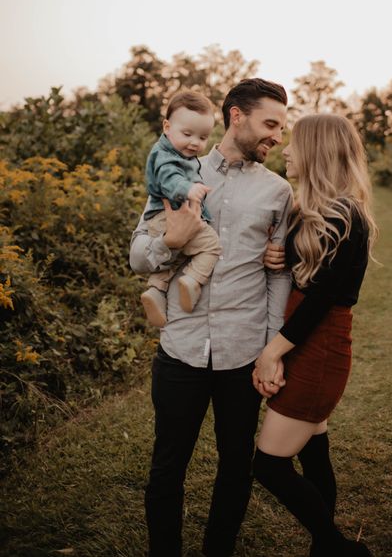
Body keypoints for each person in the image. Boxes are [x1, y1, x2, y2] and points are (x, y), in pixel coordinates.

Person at [129, 79, 294, 557]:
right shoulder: (178, 167)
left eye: (281, 128)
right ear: (236, 116)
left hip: (243, 354)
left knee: (236, 466)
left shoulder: (279, 192)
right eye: (269, 124)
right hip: (180, 350)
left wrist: (270, 349)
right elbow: (139, 255)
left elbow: (276, 278)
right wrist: (170, 243)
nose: (276, 136)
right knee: (167, 466)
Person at [252, 114, 378, 557]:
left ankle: (337, 547)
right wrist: (280, 255)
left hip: (319, 345)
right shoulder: (318, 211)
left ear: (317, 151)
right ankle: (327, 548)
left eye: (295, 143)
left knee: (268, 465)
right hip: (310, 341)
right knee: (315, 449)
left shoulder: (346, 216)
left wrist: (272, 353)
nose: (285, 150)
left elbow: (321, 300)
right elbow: (304, 275)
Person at [140, 90, 221, 327]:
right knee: (211, 246)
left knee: (174, 255)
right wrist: (187, 189)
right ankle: (193, 280)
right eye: (187, 134)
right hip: (171, 215)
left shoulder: (177, 152)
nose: (195, 142)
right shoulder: (165, 155)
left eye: (203, 137)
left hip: (161, 220)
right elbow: (169, 177)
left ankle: (156, 290)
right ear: (167, 127)